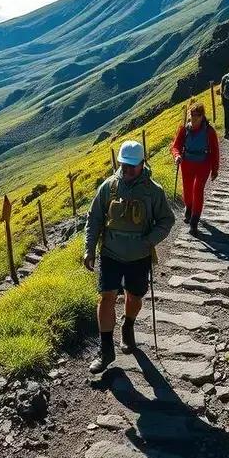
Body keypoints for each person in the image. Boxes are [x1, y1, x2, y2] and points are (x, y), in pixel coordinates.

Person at [82, 140, 176, 373]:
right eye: (124, 165)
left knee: (134, 297)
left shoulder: (154, 192)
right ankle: (106, 351)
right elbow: (94, 218)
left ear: (142, 164)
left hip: (139, 256)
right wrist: (89, 249)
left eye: (132, 166)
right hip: (111, 253)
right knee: (106, 297)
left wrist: (149, 240)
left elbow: (167, 220)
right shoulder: (109, 187)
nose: (127, 170)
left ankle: (128, 325)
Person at [170, 102, 220, 234]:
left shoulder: (209, 131)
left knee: (197, 189)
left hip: (204, 164)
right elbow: (176, 146)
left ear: (202, 116)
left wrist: (215, 169)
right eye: (192, 115)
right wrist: (177, 156)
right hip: (187, 163)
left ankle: (194, 221)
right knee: (187, 189)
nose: (194, 118)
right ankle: (189, 208)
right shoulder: (184, 129)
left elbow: (215, 151)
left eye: (197, 115)